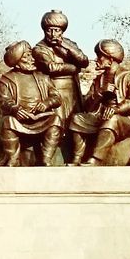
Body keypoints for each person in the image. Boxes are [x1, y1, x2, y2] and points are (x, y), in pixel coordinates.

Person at [68, 39, 130, 166]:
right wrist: (100, 92)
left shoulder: (129, 77)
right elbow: (87, 105)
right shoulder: (99, 79)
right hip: (100, 115)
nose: (96, 60)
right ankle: (77, 158)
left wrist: (116, 109)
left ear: (110, 60)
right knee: (77, 119)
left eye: (100, 56)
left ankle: (95, 160)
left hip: (124, 119)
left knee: (113, 120)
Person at [32, 10, 89, 159]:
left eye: (56, 30)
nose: (52, 34)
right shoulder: (40, 48)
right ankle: (53, 159)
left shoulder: (69, 44)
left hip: (73, 91)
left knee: (75, 125)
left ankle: (76, 158)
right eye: (49, 30)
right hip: (55, 90)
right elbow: (51, 67)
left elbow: (84, 61)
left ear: (62, 31)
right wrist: (74, 68)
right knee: (56, 125)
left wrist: (66, 46)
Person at [0, 41, 63, 166]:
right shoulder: (6, 80)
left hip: (42, 117)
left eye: (31, 55)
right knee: (8, 122)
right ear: (17, 61)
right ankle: (13, 159)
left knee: (56, 120)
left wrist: (46, 103)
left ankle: (46, 158)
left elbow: (57, 97)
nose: (32, 59)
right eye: (27, 56)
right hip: (20, 119)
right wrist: (15, 109)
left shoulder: (42, 77)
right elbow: (4, 101)